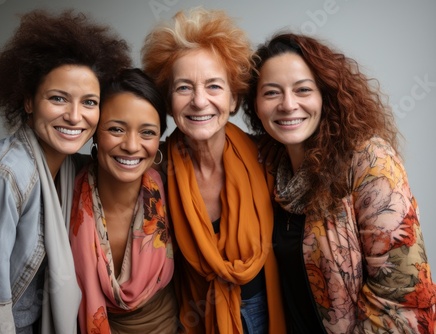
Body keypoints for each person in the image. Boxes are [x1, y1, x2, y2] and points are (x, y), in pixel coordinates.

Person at [0, 9, 130, 333]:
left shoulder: (70, 168)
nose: (74, 116)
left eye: (89, 102)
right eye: (58, 98)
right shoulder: (6, 175)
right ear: (28, 101)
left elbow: (131, 160)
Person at [242, 32, 436, 333]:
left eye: (303, 90)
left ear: (325, 95)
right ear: (255, 104)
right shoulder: (268, 164)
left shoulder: (369, 161)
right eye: (271, 93)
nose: (288, 104)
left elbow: (401, 294)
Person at [141, 7, 286, 333]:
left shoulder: (269, 157)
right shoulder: (153, 171)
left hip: (269, 313)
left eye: (214, 86)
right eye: (183, 88)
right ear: (168, 101)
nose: (199, 101)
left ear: (234, 98)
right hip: (193, 320)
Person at [69, 68, 178, 333]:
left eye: (147, 133)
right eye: (116, 129)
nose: (131, 145)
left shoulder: (174, 186)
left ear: (160, 140)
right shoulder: (62, 185)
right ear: (94, 132)